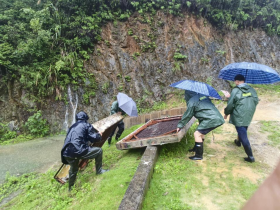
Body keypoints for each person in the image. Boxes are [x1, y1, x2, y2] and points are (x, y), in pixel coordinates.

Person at [61, 111, 109, 191]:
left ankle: (70, 188)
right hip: (78, 151)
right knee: (99, 151)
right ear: (85, 118)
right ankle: (99, 170)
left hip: (66, 152)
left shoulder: (72, 127)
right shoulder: (86, 125)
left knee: (73, 169)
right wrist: (99, 135)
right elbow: (93, 138)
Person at [177, 91, 225, 160]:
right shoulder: (203, 96)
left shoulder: (192, 102)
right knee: (201, 131)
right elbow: (203, 110)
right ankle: (196, 148)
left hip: (211, 119)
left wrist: (180, 125)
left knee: (197, 134)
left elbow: (187, 115)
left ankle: (198, 155)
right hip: (216, 117)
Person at [224, 74, 259, 163]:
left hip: (239, 115)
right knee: (243, 128)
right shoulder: (251, 89)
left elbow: (231, 104)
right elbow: (256, 100)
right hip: (249, 114)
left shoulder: (236, 90)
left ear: (237, 81)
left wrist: (226, 113)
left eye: (235, 81)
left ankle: (250, 156)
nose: (235, 83)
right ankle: (238, 142)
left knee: (243, 134)